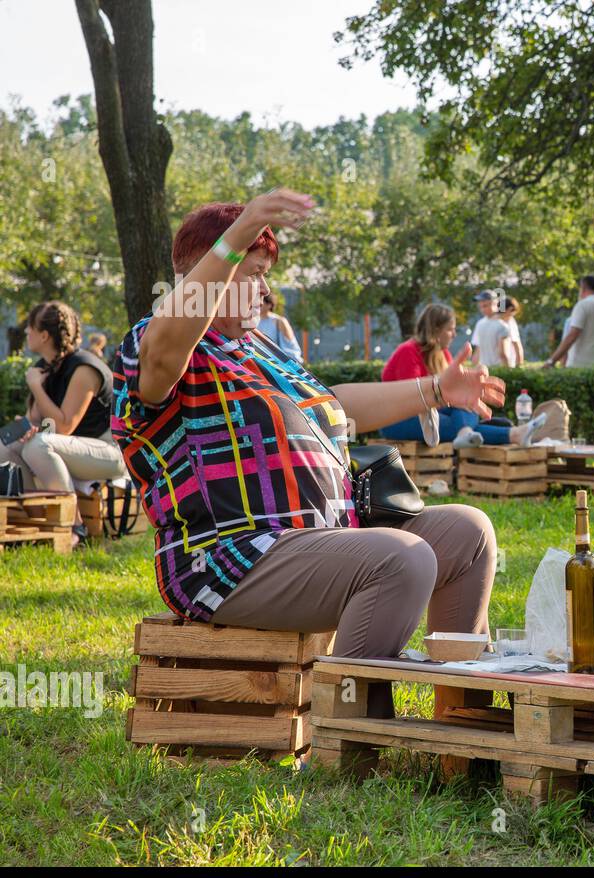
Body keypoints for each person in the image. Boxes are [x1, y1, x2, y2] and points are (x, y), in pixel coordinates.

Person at [110, 189, 505, 693]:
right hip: (230, 557)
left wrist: (436, 390)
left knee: (469, 531)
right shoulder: (160, 345)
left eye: (264, 276)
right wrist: (242, 228)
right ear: (209, 274)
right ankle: (348, 742)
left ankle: (461, 723)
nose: (264, 291)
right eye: (252, 275)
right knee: (403, 558)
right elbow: (166, 349)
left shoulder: (259, 350)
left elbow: (330, 404)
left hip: (321, 538)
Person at [1, 301, 127, 505]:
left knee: (36, 446)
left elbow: (63, 427)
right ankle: (37, 517)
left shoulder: (83, 368)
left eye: (31, 326)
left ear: (44, 336)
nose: (26, 331)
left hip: (110, 452)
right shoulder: (44, 367)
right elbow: (32, 419)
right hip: (68, 447)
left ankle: (71, 524)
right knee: (4, 445)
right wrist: (25, 426)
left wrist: (36, 387)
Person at [380, 304, 545, 447]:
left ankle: (469, 433)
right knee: (457, 419)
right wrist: (454, 401)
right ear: (436, 330)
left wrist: (461, 398)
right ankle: (511, 433)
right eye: (450, 329)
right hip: (397, 419)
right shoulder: (408, 351)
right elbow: (414, 399)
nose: (454, 335)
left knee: (467, 403)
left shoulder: (443, 354)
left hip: (427, 414)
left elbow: (446, 396)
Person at [544, 275, 594, 367]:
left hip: (580, 367)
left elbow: (572, 336)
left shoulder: (582, 305)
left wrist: (551, 361)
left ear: (582, 288)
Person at [255, 291, 303, 362]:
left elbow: (292, 348)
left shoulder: (279, 321)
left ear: (269, 305)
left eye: (261, 301)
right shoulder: (254, 321)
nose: (257, 304)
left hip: (280, 365)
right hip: (261, 363)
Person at [499, 295, 525, 367]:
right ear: (510, 309)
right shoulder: (509, 323)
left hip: (507, 365)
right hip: (506, 366)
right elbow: (517, 347)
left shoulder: (510, 322)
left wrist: (519, 365)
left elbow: (517, 346)